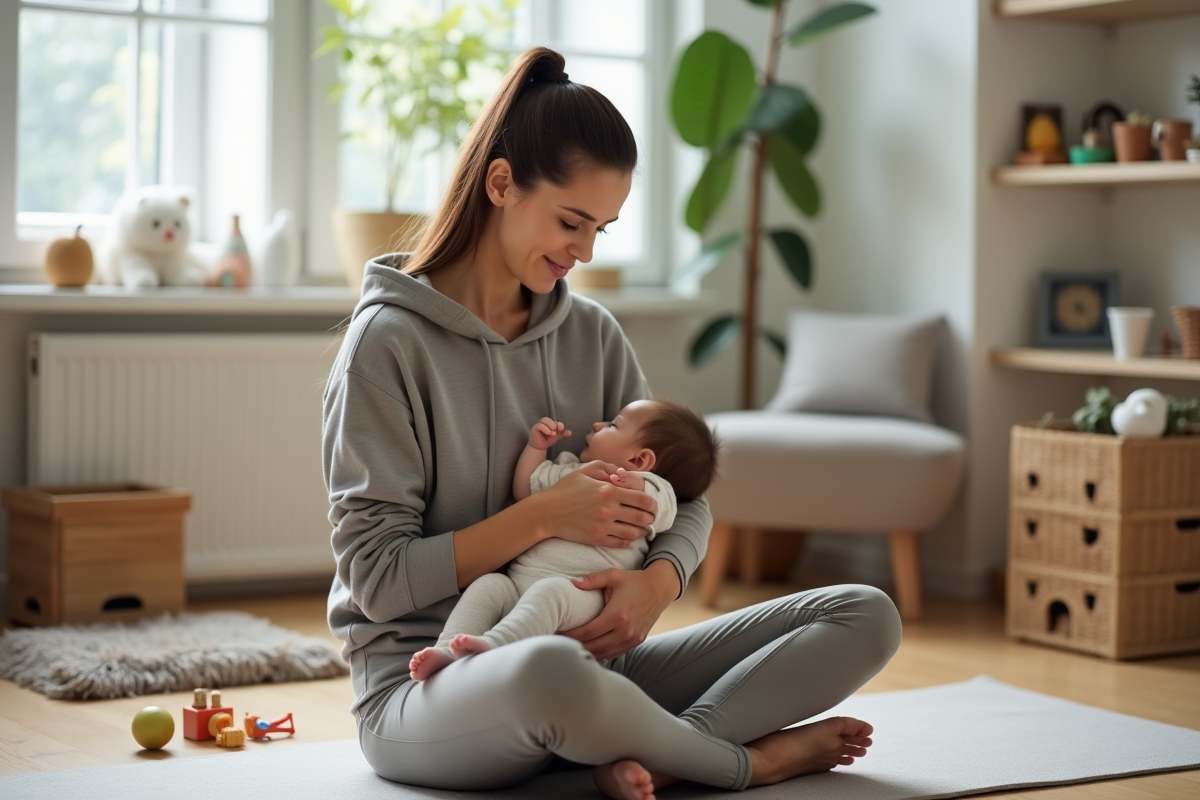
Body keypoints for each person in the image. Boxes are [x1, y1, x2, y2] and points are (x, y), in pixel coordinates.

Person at [322, 45, 902, 800]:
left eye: (602, 227)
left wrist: (659, 582)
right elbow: (376, 580)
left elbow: (684, 499)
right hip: (431, 683)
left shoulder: (592, 334)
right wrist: (542, 516)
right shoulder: (387, 345)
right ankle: (744, 762)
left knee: (864, 614)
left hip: (598, 665)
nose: (585, 250)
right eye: (572, 221)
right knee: (549, 668)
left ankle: (661, 756)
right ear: (501, 184)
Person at [408, 398, 716, 681]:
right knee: (488, 585)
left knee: (551, 592)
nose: (597, 424)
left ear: (639, 460)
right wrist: (536, 448)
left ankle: (494, 646)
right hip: (518, 586)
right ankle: (447, 650)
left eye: (612, 424)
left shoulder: (655, 488)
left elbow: (666, 511)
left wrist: (633, 483)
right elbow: (525, 488)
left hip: (584, 595)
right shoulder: (571, 470)